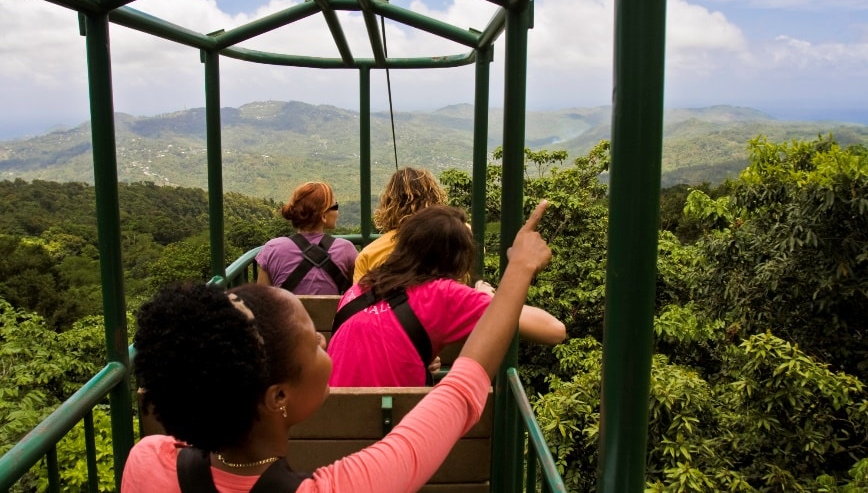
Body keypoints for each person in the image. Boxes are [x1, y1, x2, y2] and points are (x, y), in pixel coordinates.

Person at [121, 201, 553, 493]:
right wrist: (520, 267)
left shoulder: (147, 460)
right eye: (313, 341)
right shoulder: (349, 485)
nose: (326, 339)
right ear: (278, 396)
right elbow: (463, 386)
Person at [328, 205, 566, 387]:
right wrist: (489, 297)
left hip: (327, 434)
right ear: (458, 260)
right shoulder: (442, 295)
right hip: (389, 438)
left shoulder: (359, 289)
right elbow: (554, 330)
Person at [257, 181, 356, 295]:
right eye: (335, 206)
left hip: (288, 313)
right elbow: (359, 295)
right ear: (323, 216)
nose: (337, 212)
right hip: (332, 313)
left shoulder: (271, 249)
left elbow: (262, 302)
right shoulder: (346, 249)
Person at [353, 167, 446, 282]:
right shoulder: (454, 240)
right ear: (434, 199)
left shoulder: (369, 254)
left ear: (389, 203)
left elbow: (358, 297)